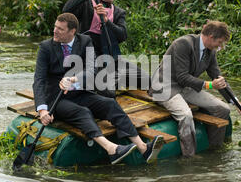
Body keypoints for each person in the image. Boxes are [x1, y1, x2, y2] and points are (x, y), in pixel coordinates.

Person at [33, 13, 164, 165]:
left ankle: (143, 148)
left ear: (72, 31)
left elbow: (92, 70)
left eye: (60, 29)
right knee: (83, 112)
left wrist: (74, 79)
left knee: (110, 103)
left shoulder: (85, 41)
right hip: (56, 99)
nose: (55, 31)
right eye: (55, 27)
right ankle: (111, 149)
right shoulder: (45, 47)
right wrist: (42, 110)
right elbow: (39, 80)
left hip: (79, 91)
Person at [149, 20, 241, 157]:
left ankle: (215, 151)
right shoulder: (183, 44)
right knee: (185, 115)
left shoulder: (210, 52)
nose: (220, 46)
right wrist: (209, 85)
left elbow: (218, 78)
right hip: (165, 87)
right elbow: (182, 77)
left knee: (223, 109)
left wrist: (237, 104)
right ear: (210, 37)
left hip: (186, 87)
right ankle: (190, 157)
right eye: (219, 42)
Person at [62, 0, 150, 97]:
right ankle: (97, 82)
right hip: (88, 61)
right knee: (108, 93)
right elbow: (66, 11)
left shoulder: (118, 12)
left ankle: (116, 79)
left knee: (148, 80)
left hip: (111, 60)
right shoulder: (86, 5)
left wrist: (107, 21)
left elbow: (122, 35)